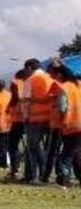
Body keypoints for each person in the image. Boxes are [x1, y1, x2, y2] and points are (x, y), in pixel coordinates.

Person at [20, 57, 53, 184]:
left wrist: (25, 117)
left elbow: (27, 101)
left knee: (32, 148)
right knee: (47, 148)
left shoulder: (31, 80)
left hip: (35, 118)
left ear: (29, 68)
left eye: (25, 69)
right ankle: (44, 175)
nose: (25, 72)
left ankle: (34, 176)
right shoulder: (49, 78)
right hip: (51, 118)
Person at [43, 58, 71, 186]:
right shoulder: (60, 84)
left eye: (51, 71)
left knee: (56, 152)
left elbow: (61, 105)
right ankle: (51, 176)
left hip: (60, 123)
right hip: (60, 123)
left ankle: (58, 177)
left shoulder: (59, 85)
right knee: (60, 151)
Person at [57, 64, 81, 187]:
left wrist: (60, 120)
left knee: (66, 153)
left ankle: (64, 177)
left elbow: (62, 108)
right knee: (77, 152)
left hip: (71, 125)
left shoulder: (64, 87)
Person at [5, 69, 29, 181]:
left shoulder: (16, 83)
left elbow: (14, 99)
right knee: (31, 148)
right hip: (30, 119)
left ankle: (15, 170)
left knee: (12, 146)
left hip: (18, 121)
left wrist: (8, 107)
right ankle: (29, 171)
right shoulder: (31, 84)